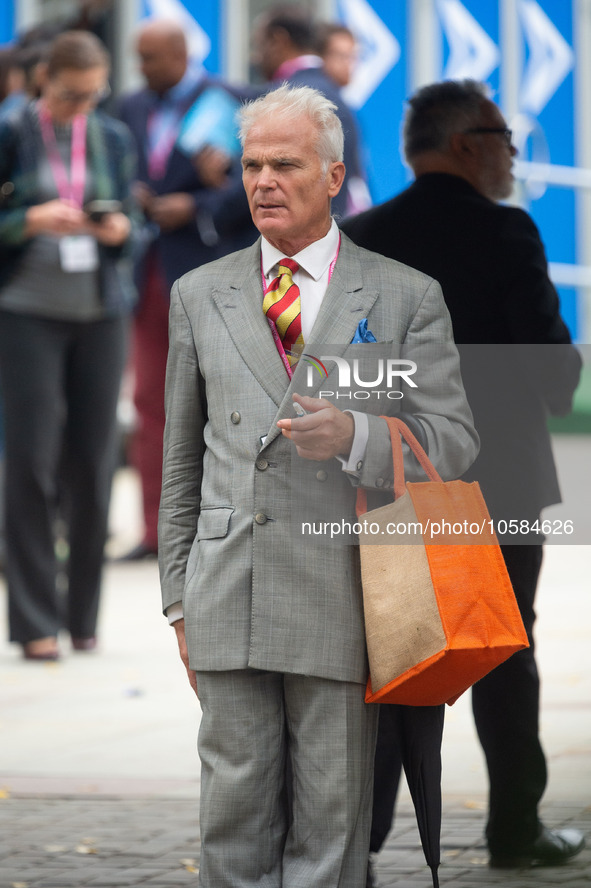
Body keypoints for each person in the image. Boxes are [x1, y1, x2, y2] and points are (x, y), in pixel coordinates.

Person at [158, 83, 478, 888]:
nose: (263, 182)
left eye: (285, 166)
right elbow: (180, 463)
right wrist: (176, 599)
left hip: (346, 591)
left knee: (331, 824)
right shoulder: (199, 294)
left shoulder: (405, 295)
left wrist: (360, 437)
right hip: (226, 590)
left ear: (333, 177)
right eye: (252, 165)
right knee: (231, 818)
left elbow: (456, 443)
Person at [342, 79, 584, 872]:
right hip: (500, 479)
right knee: (504, 653)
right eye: (503, 136)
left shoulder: (360, 238)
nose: (511, 152)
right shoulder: (505, 232)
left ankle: (360, 840)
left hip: (394, 479)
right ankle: (513, 830)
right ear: (465, 144)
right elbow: (552, 372)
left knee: (397, 654)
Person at [0, 30, 137, 660]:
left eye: (94, 94)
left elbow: (135, 229)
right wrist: (26, 219)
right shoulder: (11, 132)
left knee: (93, 462)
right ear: (44, 82)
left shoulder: (111, 136)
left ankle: (82, 617)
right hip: (25, 309)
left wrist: (118, 230)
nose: (82, 105)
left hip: (100, 312)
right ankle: (33, 622)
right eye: (71, 94)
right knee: (30, 460)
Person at [117, 19, 255, 561]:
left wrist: (195, 207)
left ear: (180, 54)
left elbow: (256, 187)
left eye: (151, 58)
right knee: (149, 399)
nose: (143, 69)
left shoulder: (231, 103)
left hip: (208, 270)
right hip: (147, 273)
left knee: (219, 402)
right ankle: (155, 534)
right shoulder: (129, 108)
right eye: (139, 58)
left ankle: (223, 530)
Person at [252, 4, 370, 217]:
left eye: (259, 45)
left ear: (279, 40)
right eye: (342, 56)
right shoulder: (338, 101)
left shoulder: (284, 98)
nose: (255, 57)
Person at [316, 22, 358, 89]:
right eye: (342, 56)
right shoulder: (318, 92)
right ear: (323, 56)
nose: (348, 63)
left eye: (352, 56)